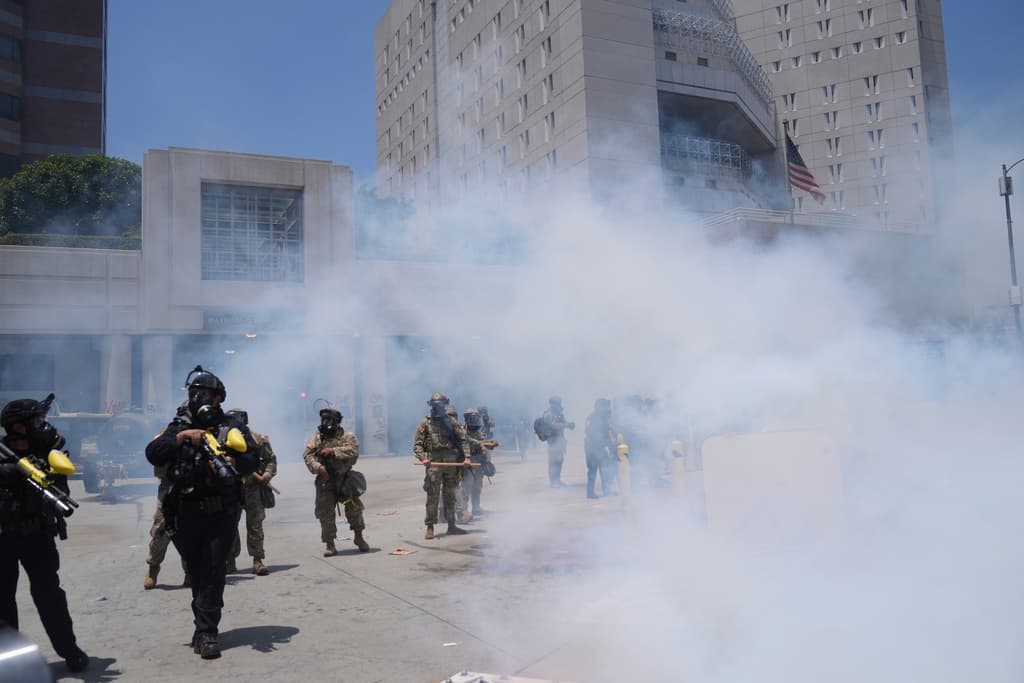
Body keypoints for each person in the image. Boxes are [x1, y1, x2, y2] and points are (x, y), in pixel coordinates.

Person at [145, 366, 259, 660]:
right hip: (184, 512)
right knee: (197, 572)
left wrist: (232, 461)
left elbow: (252, 458)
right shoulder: (178, 426)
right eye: (193, 393)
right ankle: (202, 626)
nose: (197, 397)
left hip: (220, 511)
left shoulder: (231, 426)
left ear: (218, 397)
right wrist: (183, 437)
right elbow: (153, 452)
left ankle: (207, 632)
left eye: (204, 393)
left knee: (213, 570)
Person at [0, 395, 89, 673]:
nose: (42, 425)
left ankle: (69, 650)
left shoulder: (48, 453)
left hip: (38, 536)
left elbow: (63, 490)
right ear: (18, 427)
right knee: (2, 602)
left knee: (50, 596)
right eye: (36, 421)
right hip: (3, 538)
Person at [302, 407, 368, 557]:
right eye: (324, 420)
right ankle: (330, 544)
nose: (326, 423)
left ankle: (359, 537)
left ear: (337, 421)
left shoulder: (347, 435)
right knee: (325, 513)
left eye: (330, 420)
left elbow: (354, 450)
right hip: (326, 481)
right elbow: (307, 455)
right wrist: (319, 468)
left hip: (344, 479)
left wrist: (334, 451)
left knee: (354, 509)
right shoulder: (318, 437)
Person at [227, 409, 277, 576]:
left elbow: (271, 460)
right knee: (230, 525)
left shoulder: (257, 439)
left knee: (255, 525)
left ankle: (257, 560)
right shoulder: (224, 439)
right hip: (231, 488)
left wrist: (267, 475)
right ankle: (229, 561)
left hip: (253, 489)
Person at [413, 392, 471, 539]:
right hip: (434, 461)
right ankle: (430, 526)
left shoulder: (452, 422)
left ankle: (451, 525)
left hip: (451, 461)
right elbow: (417, 445)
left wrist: (467, 457)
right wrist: (423, 458)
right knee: (432, 495)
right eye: (435, 405)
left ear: (445, 405)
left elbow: (463, 440)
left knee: (450, 494)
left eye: (440, 405)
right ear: (431, 406)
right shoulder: (425, 423)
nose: (438, 408)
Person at [143, 459, 190, 589]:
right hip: (169, 485)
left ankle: (190, 571)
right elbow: (154, 454)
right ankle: (153, 566)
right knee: (161, 527)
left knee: (188, 529)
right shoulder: (166, 439)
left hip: (192, 483)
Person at [458, 408, 498, 522]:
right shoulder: (462, 431)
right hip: (469, 462)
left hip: (479, 461)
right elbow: (469, 442)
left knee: (477, 486)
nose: (475, 420)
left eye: (476, 417)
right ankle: (463, 511)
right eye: (472, 417)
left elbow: (484, 444)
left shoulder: (480, 431)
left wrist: (489, 447)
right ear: (467, 418)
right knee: (466, 487)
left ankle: (476, 507)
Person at [584, 398, 618, 498]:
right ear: (600, 407)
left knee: (604, 470)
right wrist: (608, 446)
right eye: (606, 406)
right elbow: (595, 434)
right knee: (593, 470)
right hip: (594, 448)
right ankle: (591, 493)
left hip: (597, 448)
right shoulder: (595, 418)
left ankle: (606, 491)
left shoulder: (600, 417)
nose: (608, 409)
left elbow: (608, 432)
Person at [542, 396, 575, 488]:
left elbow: (563, 422)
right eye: (558, 403)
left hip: (559, 440)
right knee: (553, 462)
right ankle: (553, 482)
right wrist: (566, 425)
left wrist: (569, 424)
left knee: (559, 461)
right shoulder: (548, 414)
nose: (559, 404)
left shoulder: (559, 413)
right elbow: (553, 426)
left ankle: (557, 480)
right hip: (553, 441)